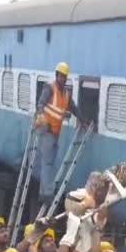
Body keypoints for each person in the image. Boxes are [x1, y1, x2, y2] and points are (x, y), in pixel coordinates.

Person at [34, 62, 87, 204]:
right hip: (46, 130)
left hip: (56, 132)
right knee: (48, 163)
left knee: (50, 163)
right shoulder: (49, 88)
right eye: (61, 76)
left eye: (65, 77)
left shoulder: (66, 94)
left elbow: (73, 108)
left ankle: (43, 193)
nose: (63, 79)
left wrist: (82, 120)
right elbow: (40, 104)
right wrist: (41, 115)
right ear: (56, 75)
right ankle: (47, 194)